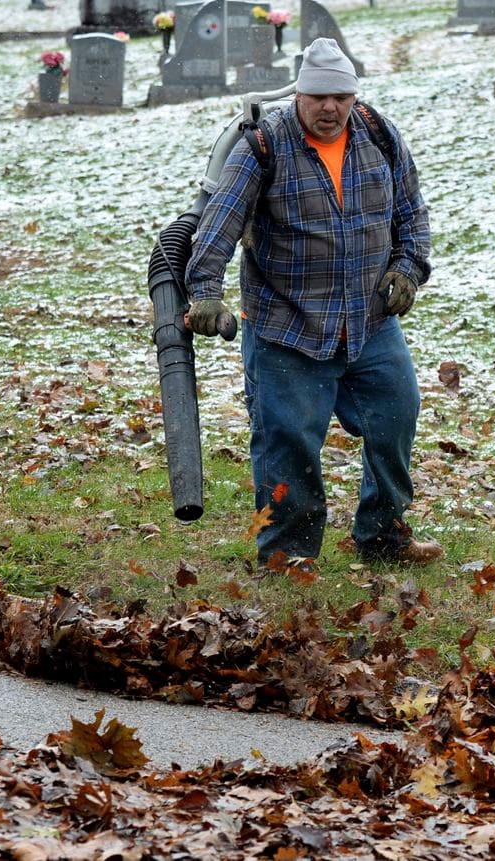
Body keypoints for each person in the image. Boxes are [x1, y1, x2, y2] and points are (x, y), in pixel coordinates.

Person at [183, 37, 442, 569]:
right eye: (319, 97)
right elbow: (218, 226)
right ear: (299, 94)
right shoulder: (263, 146)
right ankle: (288, 555)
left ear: (354, 95)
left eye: (341, 96)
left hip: (368, 323)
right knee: (289, 446)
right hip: (287, 329)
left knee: (396, 419)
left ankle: (383, 535)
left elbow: (412, 215)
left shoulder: (378, 134)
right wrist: (206, 292)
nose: (330, 108)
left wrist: (408, 269)